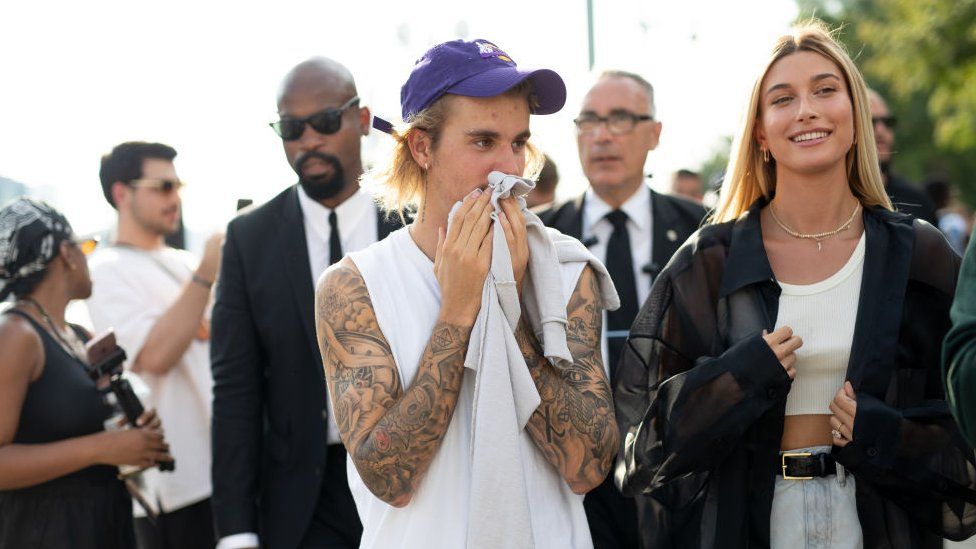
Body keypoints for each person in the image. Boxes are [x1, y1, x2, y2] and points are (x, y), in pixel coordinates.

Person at [614, 22, 976, 548]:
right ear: (760, 132)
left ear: (855, 119)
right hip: (752, 522)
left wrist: (884, 435)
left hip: (882, 522)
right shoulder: (710, 262)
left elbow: (964, 427)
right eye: (783, 98)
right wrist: (738, 378)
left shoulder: (917, 254)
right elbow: (643, 448)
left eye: (826, 90)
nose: (806, 109)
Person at [315, 39, 618, 548]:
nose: (509, 168)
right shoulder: (355, 284)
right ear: (421, 147)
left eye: (518, 142)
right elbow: (391, 478)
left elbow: (587, 465)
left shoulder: (565, 270)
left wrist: (507, 301)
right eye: (483, 142)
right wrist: (457, 312)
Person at [210, 58, 402, 549]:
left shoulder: (414, 221)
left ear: (361, 120)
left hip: (411, 479)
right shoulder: (249, 239)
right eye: (292, 128)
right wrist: (235, 530)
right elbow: (236, 390)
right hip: (302, 500)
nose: (309, 140)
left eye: (325, 121)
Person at [537, 69, 705, 549]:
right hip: (573, 480)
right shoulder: (539, 237)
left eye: (620, 119)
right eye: (589, 120)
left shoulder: (700, 231)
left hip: (679, 472)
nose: (602, 135)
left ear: (654, 133)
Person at [0, 198, 172, 548]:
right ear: (66, 253)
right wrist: (103, 447)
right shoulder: (16, 335)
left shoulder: (75, 335)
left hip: (102, 523)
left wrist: (131, 440)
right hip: (47, 532)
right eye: (85, 246)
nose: (87, 257)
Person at [86, 142, 220, 549]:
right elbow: (155, 357)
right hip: (174, 487)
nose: (174, 197)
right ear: (121, 193)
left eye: (177, 185)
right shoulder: (104, 271)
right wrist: (206, 274)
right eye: (162, 186)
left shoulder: (183, 260)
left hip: (225, 469)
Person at [867, 89, 938, 225]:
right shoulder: (836, 202)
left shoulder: (917, 200)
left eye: (888, 122)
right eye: (870, 122)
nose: (881, 131)